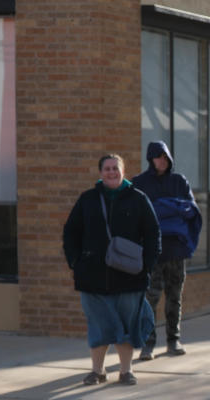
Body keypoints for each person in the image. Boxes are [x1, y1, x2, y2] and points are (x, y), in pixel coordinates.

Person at [63, 154, 160, 386]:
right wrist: (75, 262)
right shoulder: (88, 199)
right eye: (106, 169)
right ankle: (97, 371)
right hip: (92, 277)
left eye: (115, 168)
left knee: (127, 325)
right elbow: (71, 232)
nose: (111, 172)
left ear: (123, 171)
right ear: (100, 173)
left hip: (130, 277)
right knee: (97, 325)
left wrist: (146, 265)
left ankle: (126, 371)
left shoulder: (138, 199)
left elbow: (153, 234)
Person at [131, 140, 198, 360]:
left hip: (176, 250)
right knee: (150, 298)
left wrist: (161, 208)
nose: (162, 160)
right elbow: (136, 214)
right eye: (158, 156)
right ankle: (148, 343)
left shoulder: (179, 181)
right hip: (151, 252)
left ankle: (173, 339)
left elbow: (190, 210)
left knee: (174, 296)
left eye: (165, 156)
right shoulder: (140, 183)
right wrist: (171, 208)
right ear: (150, 158)